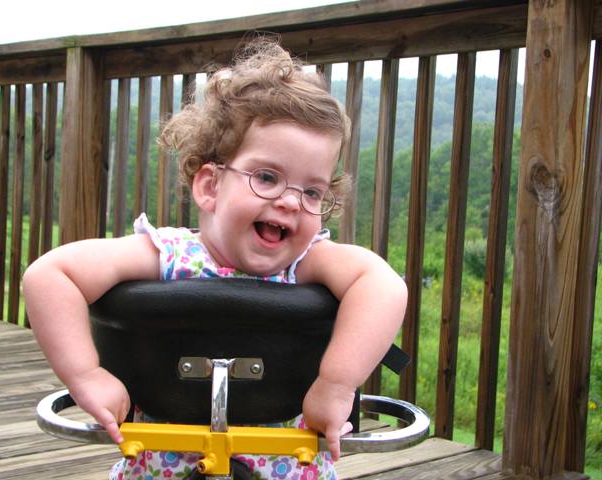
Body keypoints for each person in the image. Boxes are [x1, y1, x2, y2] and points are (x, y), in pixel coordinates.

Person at [23, 39, 407, 480]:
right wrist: (86, 375)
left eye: (313, 191)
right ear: (210, 186)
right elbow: (49, 275)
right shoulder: (170, 254)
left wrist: (336, 384)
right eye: (267, 177)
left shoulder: (306, 261)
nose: (291, 201)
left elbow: (384, 286)